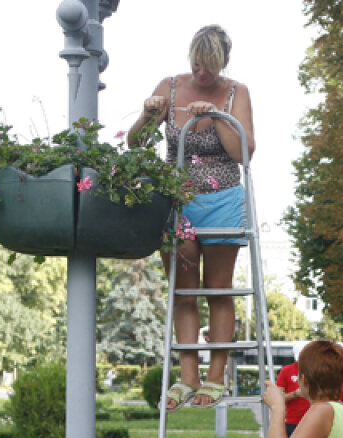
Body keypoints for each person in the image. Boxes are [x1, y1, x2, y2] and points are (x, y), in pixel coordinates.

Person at [129, 25, 256, 410]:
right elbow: (136, 142)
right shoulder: (169, 86)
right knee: (182, 290)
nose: (202, 73)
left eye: (210, 67)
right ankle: (188, 377)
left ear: (223, 64)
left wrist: (218, 116)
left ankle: (216, 378)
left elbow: (244, 152)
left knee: (218, 289)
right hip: (176, 200)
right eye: (197, 64)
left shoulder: (237, 92)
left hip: (222, 199)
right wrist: (147, 114)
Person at [275, 345, 311, 437]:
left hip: (313, 420)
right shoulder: (287, 370)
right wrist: (295, 394)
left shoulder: (316, 369)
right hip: (292, 422)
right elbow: (277, 399)